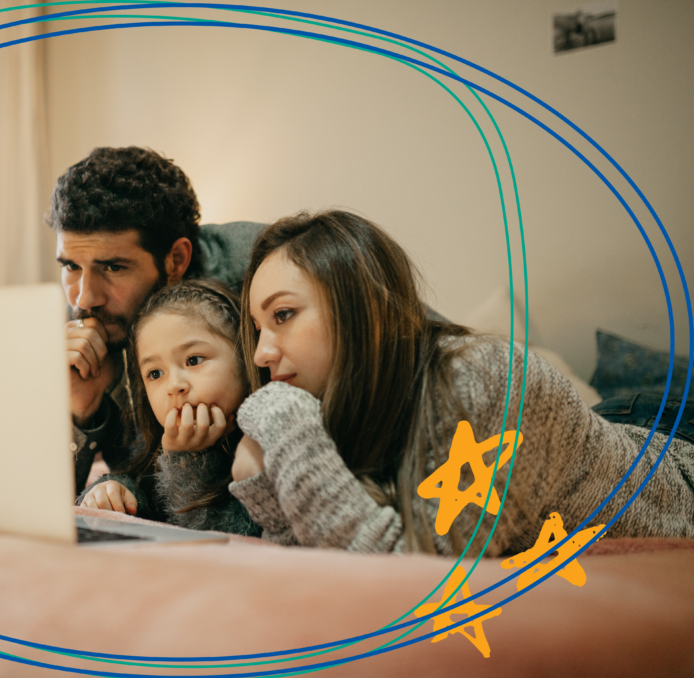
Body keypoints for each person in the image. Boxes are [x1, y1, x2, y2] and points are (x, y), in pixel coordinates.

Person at [227, 209, 694, 555]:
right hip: (582, 442)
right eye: (258, 328)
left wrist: (285, 426)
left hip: (669, 444)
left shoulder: (481, 379)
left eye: (283, 315)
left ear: (360, 306)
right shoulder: (330, 403)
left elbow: (418, 577)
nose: (261, 353)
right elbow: (315, 556)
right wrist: (265, 485)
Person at [49, 146, 263, 496]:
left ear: (176, 260)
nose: (84, 298)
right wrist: (81, 410)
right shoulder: (79, 320)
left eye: (113, 267)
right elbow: (46, 501)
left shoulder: (258, 274)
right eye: (71, 266)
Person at [78, 279, 260, 536]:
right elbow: (146, 492)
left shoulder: (266, 446)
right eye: (155, 373)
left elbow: (229, 540)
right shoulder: (154, 449)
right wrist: (113, 490)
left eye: (193, 360)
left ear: (245, 357)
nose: (174, 386)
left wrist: (188, 460)